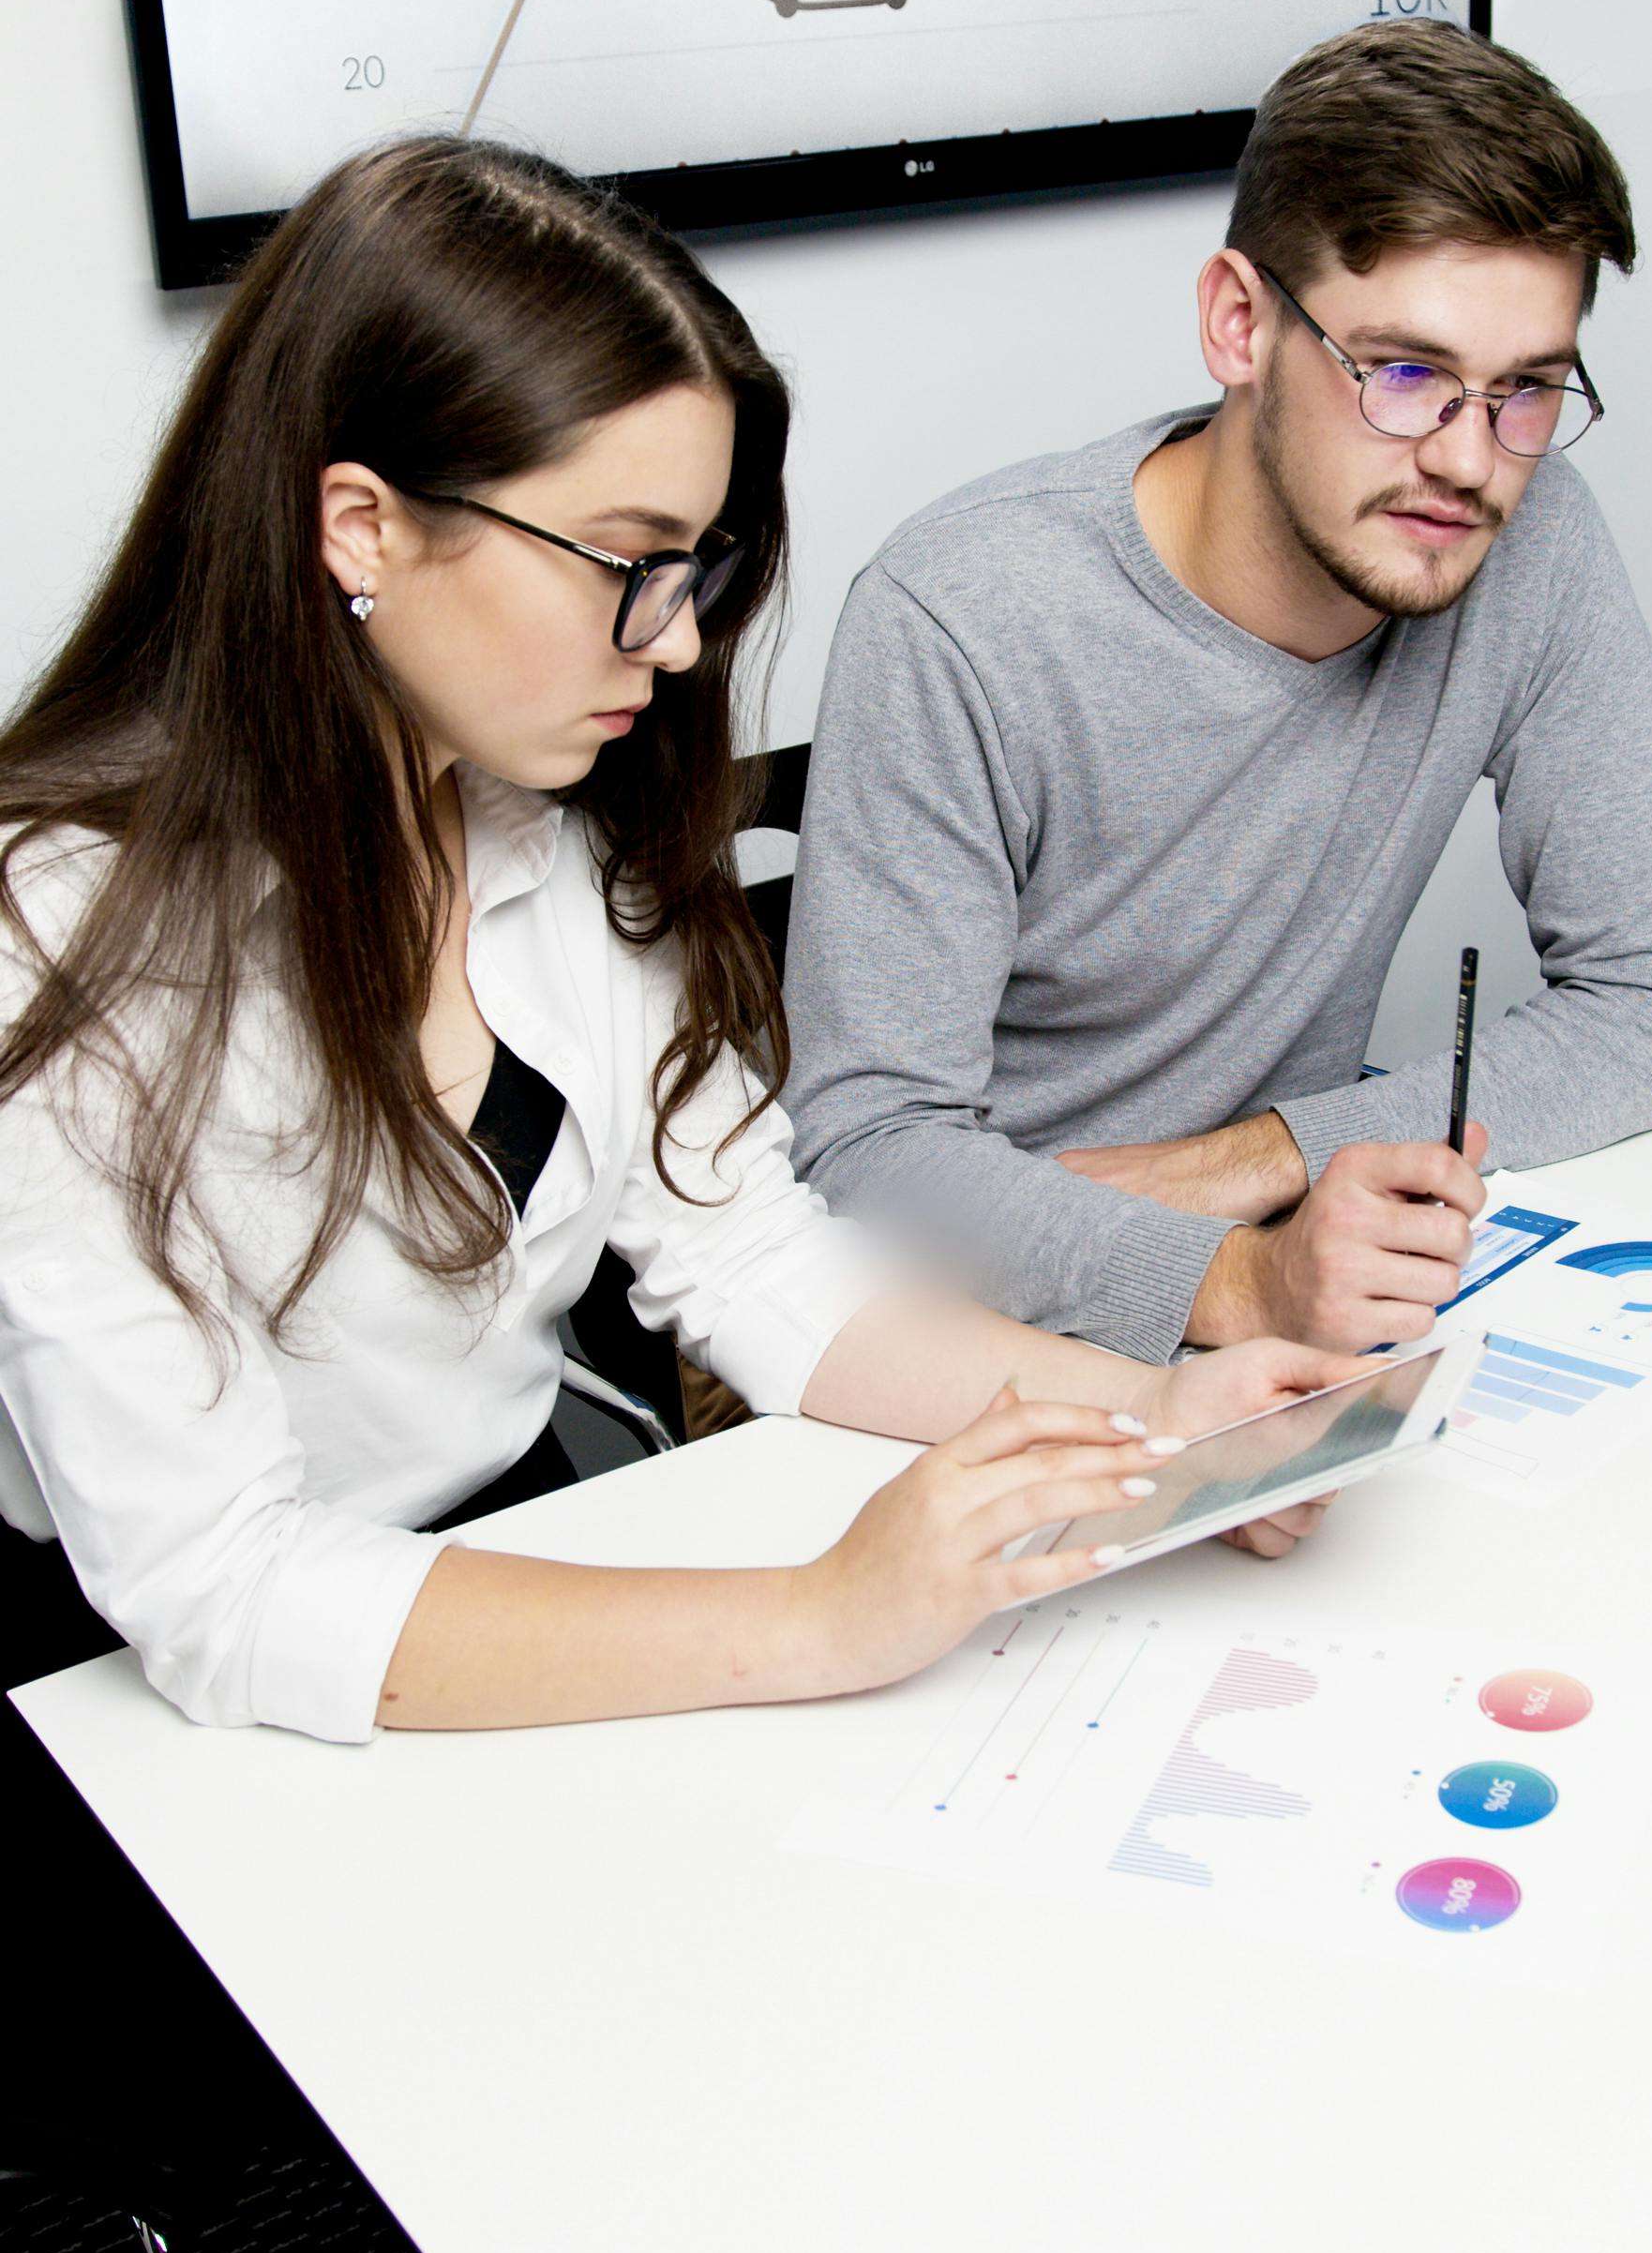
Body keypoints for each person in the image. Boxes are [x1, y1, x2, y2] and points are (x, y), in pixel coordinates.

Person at [0, 140, 1348, 1750]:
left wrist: (1153, 1417)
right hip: (169, 1696)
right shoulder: (58, 942)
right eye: (630, 563)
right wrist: (826, 1612)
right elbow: (223, 1589)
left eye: (695, 569)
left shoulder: (528, 823)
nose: (685, 636)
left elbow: (750, 1257)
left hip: (515, 1539)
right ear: (359, 525)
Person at [783, 19, 1652, 1362]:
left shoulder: (1533, 541)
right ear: (1239, 324)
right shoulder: (963, 614)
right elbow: (869, 1155)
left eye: (1525, 390)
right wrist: (1230, 1277)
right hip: (960, 1310)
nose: (1469, 462)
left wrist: (1262, 1161)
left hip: (1276, 1276)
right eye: (1404, 373)